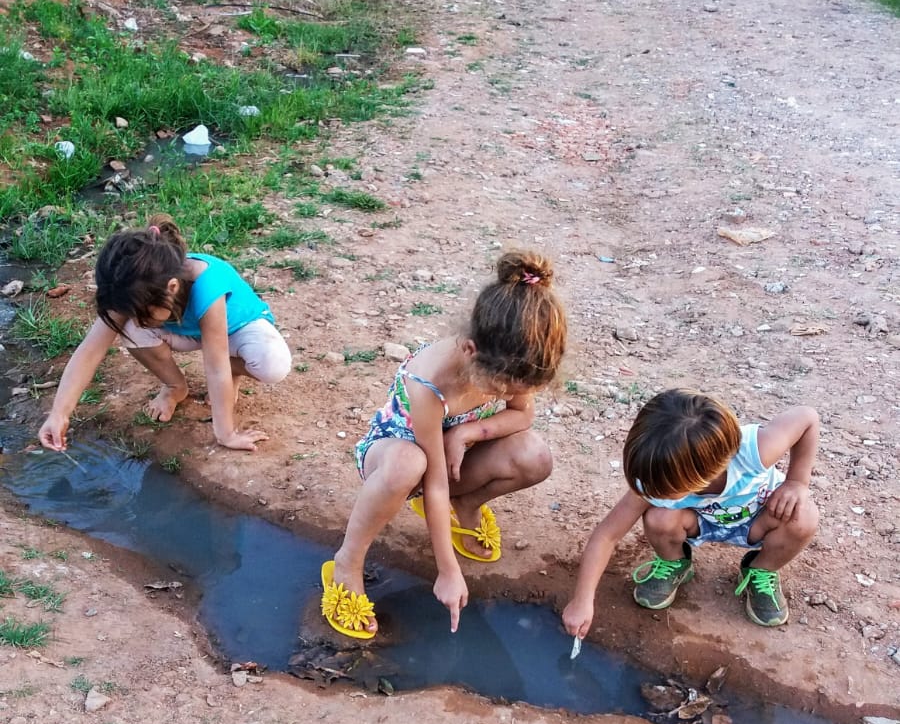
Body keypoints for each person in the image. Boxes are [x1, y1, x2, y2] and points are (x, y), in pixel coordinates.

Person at [322, 250, 567, 640]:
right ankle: (346, 562)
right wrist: (447, 570)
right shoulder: (429, 383)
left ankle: (464, 504)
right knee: (409, 464)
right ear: (471, 352)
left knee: (534, 455)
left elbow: (522, 416)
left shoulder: (515, 356)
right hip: (395, 454)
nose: (505, 395)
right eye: (500, 389)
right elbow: (434, 481)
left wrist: (465, 433)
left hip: (455, 452)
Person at [563, 390, 819, 636]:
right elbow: (606, 535)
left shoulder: (756, 451)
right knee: (658, 516)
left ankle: (761, 570)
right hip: (701, 522)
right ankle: (676, 563)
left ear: (699, 476)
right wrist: (581, 600)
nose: (651, 491)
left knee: (803, 517)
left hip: (758, 520)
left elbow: (807, 417)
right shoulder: (657, 477)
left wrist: (797, 482)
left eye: (662, 489)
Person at [38, 218, 291, 454]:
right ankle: (174, 386)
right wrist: (59, 413)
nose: (137, 321)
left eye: (142, 314)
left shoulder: (208, 285)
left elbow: (216, 367)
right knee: (129, 329)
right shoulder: (131, 286)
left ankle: (236, 371)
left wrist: (226, 434)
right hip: (185, 330)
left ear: (172, 288)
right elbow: (90, 350)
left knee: (272, 365)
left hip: (236, 330)